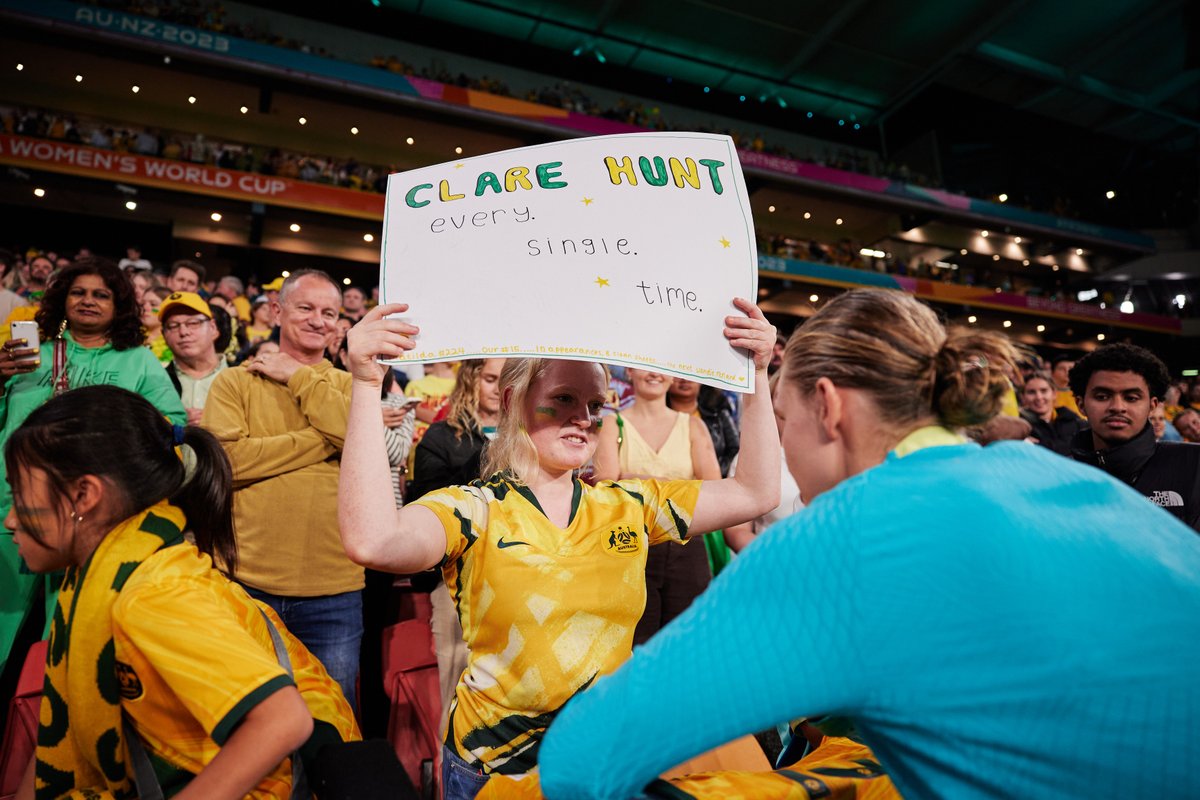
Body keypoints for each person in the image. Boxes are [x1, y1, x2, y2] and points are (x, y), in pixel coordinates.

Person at [532, 288, 1200, 800]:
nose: (787, 447)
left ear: (828, 406)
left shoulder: (844, 538)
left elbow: (582, 760)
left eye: (785, 420)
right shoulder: (1063, 477)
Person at [339, 298, 779, 799]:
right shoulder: (473, 511)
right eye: (564, 399)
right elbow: (371, 540)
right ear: (511, 402)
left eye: (595, 405)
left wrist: (757, 375)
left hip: (599, 762)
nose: (583, 419)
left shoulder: (630, 505)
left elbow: (754, 492)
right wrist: (365, 385)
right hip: (495, 771)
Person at [6, 386, 359, 799]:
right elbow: (56, 737)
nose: (11, 519)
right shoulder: (111, 572)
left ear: (83, 496)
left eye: (19, 493)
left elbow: (282, 721)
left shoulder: (152, 595)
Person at [0, 257, 185, 677]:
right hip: (10, 508)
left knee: (62, 643)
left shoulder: (137, 361)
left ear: (118, 306)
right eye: (78, 292)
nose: (88, 301)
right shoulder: (30, 352)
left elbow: (171, 425)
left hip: (90, 517)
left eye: (101, 294)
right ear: (62, 299)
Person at [203, 269, 362, 704]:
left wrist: (297, 375)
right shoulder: (235, 381)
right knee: (243, 718)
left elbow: (364, 446)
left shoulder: (353, 386)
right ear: (277, 310)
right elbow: (228, 463)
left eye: (329, 313)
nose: (318, 320)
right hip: (246, 583)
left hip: (334, 590)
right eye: (306, 308)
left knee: (332, 729)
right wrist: (326, 439)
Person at [406, 357, 505, 726]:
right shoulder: (441, 436)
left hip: (518, 573)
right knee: (454, 685)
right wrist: (488, 457)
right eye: (491, 379)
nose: (498, 387)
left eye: (506, 379)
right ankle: (449, 783)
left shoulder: (531, 433)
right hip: (457, 578)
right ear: (470, 380)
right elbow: (427, 504)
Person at [593, 369, 721, 644]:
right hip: (631, 548)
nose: (653, 373)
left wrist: (631, 479)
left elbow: (714, 487)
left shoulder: (693, 426)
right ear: (629, 371)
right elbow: (605, 487)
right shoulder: (613, 424)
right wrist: (679, 485)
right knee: (633, 647)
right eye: (645, 365)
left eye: (661, 366)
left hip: (687, 548)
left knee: (690, 643)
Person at [1068, 343, 1200, 531]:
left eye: (1131, 398)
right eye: (1102, 396)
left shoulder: (1193, 464)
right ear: (1081, 405)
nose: (1117, 407)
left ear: (1152, 405)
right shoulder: (1062, 475)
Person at [161, 292, 225, 425]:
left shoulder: (241, 375)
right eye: (173, 326)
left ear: (213, 328)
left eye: (193, 323)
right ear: (164, 335)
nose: (183, 332)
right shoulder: (157, 382)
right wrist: (171, 424)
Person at [1018, 370, 1085, 455]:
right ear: (1023, 397)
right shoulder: (1019, 429)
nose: (1039, 397)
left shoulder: (1075, 421)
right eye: (1031, 392)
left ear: (1054, 393)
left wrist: (1039, 446)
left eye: (1043, 391)